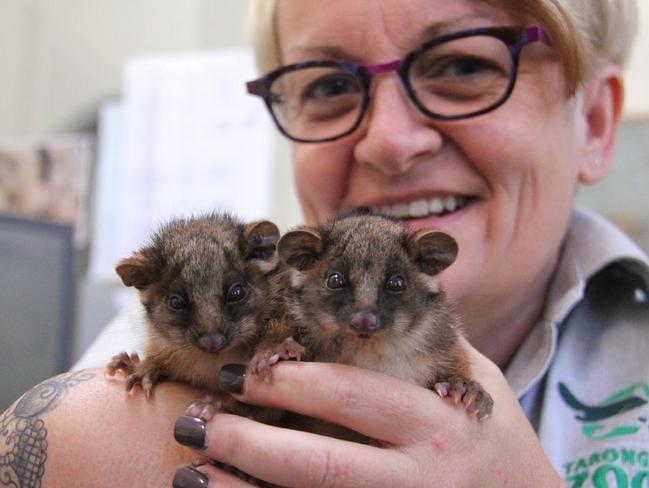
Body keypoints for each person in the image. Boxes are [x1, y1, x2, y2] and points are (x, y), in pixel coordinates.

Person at [2, 0, 647, 486]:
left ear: (593, 122)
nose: (391, 143)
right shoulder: (223, 307)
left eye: (464, 65)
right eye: (329, 85)